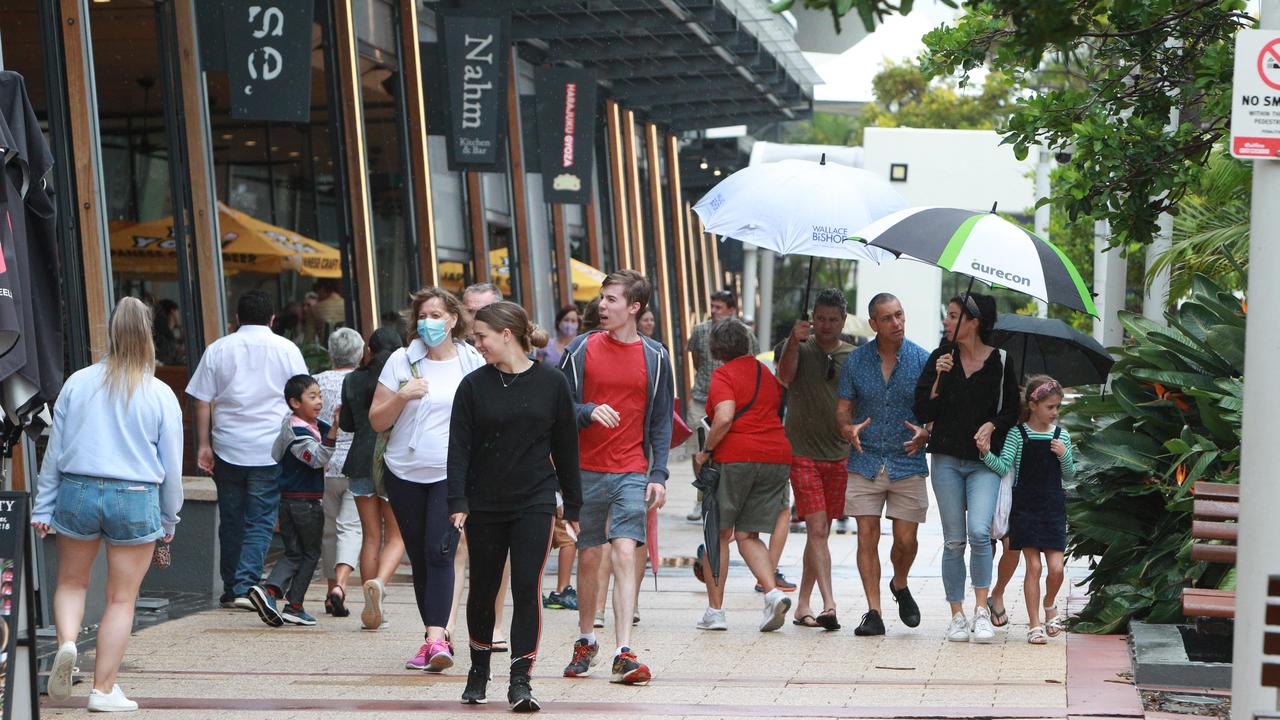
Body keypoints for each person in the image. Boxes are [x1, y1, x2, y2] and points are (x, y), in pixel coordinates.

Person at [34, 297, 184, 712]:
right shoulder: (159, 393)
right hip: (136, 498)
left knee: (71, 582)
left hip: (77, 491)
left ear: (110, 332)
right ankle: (103, 690)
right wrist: (170, 515)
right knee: (121, 599)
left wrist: (42, 508)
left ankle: (66, 642)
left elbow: (55, 453)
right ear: (148, 335)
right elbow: (170, 465)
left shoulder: (78, 382)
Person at [448, 302, 583, 710]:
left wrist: (573, 505)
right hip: (484, 503)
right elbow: (458, 449)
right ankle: (478, 668)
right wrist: (458, 500)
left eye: (481, 337)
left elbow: (566, 448)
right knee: (484, 590)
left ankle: (521, 680)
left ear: (507, 334)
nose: (477, 344)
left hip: (535, 500)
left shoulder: (552, 383)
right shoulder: (473, 386)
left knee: (527, 586)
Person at [559, 269, 673, 685]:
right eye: (602, 298)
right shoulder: (580, 349)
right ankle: (587, 638)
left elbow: (661, 420)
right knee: (591, 555)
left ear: (634, 307)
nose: (601, 306)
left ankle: (624, 651)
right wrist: (586, 411)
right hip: (584, 470)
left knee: (625, 550)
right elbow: (559, 408)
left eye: (610, 299)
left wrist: (657, 473)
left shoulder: (656, 356)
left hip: (630, 469)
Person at [369, 287, 484, 672]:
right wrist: (402, 396)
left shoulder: (471, 361)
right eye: (422, 315)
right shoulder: (401, 362)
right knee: (420, 556)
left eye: (436, 315)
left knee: (440, 551)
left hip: (450, 475)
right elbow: (377, 420)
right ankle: (431, 636)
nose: (427, 322)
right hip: (404, 473)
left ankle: (438, 640)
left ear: (453, 320)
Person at [186, 290, 308, 609]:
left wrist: (203, 444)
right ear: (272, 319)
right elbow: (303, 397)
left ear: (237, 319)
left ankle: (233, 585)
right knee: (261, 518)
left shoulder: (218, 349)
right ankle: (245, 584)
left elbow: (201, 398)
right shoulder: (288, 350)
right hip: (271, 447)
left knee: (231, 518)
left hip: (228, 445)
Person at [913, 292, 1018, 643]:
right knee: (955, 540)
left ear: (973, 322)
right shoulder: (939, 359)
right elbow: (923, 412)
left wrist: (993, 426)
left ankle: (981, 610)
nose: (946, 320)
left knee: (979, 532)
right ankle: (956, 614)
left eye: (953, 315)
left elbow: (1011, 411)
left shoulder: (1001, 360)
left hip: (984, 462)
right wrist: (940, 379)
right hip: (945, 458)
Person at [835, 293, 931, 636]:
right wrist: (848, 429)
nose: (897, 323)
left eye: (900, 315)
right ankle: (873, 611)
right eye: (888, 318)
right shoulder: (857, 362)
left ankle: (900, 583)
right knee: (866, 535)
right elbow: (843, 410)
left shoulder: (922, 359)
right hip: (866, 459)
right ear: (873, 324)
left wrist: (927, 430)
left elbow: (936, 412)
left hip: (907, 459)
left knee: (906, 541)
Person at [692, 318, 794, 632]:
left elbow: (724, 416)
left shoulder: (724, 374)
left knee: (719, 535)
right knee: (748, 535)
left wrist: (706, 451)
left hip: (736, 458)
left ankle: (716, 611)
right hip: (776, 457)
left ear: (715, 348)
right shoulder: (767, 374)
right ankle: (772, 593)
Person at [775, 289, 854, 631]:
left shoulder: (854, 355)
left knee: (818, 533)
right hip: (801, 451)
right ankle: (829, 603)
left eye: (832, 319)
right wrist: (794, 341)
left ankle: (803, 604)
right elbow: (785, 376)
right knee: (818, 528)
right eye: (820, 318)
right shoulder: (798, 347)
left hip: (839, 453)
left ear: (843, 320)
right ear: (811, 317)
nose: (825, 325)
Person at [978, 376, 1074, 644]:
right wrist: (985, 453)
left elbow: (1070, 473)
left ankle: (1049, 602)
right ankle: (1034, 625)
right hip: (1026, 508)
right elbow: (1004, 465)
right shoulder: (1017, 434)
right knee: (1033, 566)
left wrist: (1064, 454)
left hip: (1053, 506)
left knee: (1056, 568)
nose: (1055, 413)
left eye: (1057, 407)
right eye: (1050, 407)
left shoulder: (1061, 436)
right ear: (1033, 405)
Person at [248, 374, 341, 627]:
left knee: (295, 552)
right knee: (310, 553)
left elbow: (276, 451)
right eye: (312, 397)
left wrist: (333, 423)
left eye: (320, 395)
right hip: (305, 503)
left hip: (289, 502)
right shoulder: (298, 433)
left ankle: (277, 595)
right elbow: (317, 458)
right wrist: (333, 430)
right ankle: (285, 599)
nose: (319, 401)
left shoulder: (294, 424)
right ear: (294, 402)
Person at [454, 281, 512, 652]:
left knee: (498, 550)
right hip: (461, 461)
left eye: (483, 312)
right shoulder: (457, 353)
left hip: (498, 467)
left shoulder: (507, 359)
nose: (476, 319)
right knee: (459, 546)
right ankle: (445, 628)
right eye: (470, 311)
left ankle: (495, 620)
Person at [340, 327, 407, 631]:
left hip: (358, 461)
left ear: (369, 348)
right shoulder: (402, 378)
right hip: (391, 461)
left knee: (370, 536)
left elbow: (348, 425)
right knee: (396, 535)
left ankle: (371, 600)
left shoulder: (353, 378)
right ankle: (378, 584)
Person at [316, 328, 363, 618]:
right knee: (351, 528)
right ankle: (341, 586)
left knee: (329, 531)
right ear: (359, 355)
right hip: (355, 465)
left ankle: (330, 588)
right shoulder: (362, 382)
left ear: (331, 354)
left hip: (323, 465)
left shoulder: (315, 382)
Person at [152, 298, 181, 365]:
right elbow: (166, 358)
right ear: (173, 312)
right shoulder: (162, 336)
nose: (179, 316)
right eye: (177, 311)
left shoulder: (160, 334)